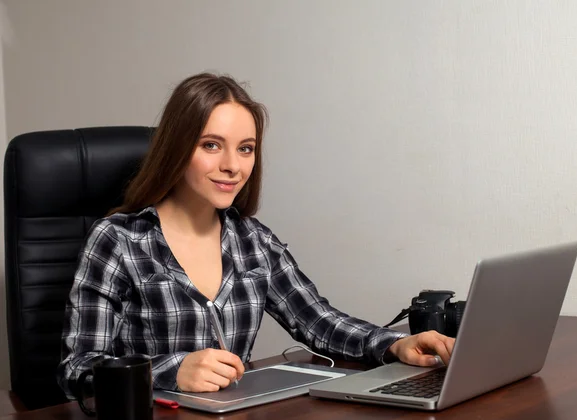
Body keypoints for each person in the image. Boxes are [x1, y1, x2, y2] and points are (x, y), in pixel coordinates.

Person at [57, 72, 455, 397]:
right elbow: (78, 369)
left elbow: (319, 322)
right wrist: (170, 370)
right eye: (211, 145)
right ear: (176, 149)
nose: (233, 165)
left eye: (245, 149)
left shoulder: (253, 242)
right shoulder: (118, 240)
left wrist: (391, 344)